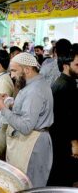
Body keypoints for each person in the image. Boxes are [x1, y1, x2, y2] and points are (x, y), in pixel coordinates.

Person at [0, 52, 53, 187]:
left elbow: (25, 126)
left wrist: (2, 107)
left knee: (29, 185)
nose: (11, 75)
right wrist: (10, 102)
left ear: (27, 69)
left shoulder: (35, 90)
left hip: (33, 144)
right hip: (29, 141)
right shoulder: (32, 85)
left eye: (14, 71)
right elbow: (28, 109)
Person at [48, 42, 78, 186]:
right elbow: (65, 119)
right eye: (77, 65)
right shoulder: (65, 86)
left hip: (59, 142)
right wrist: (74, 142)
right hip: (62, 143)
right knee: (62, 179)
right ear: (66, 65)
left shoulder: (66, 82)